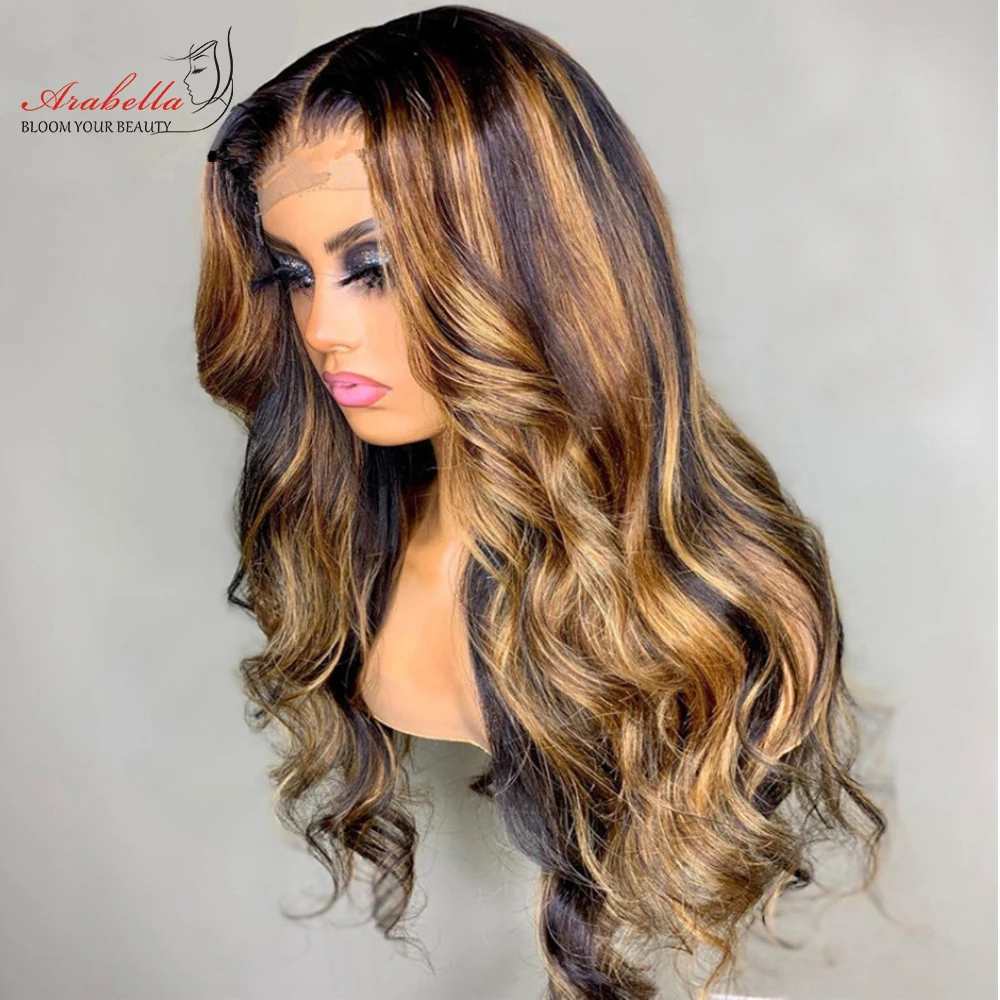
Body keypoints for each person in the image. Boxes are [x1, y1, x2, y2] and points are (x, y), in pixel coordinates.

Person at [194, 7, 887, 999]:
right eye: (296, 275)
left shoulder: (716, 603)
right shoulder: (350, 554)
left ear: (532, 262)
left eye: (374, 269)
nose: (321, 329)